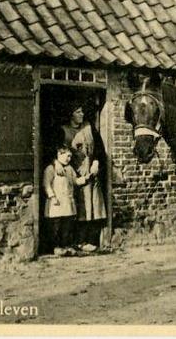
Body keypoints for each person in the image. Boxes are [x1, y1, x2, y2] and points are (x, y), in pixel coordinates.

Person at [60, 101, 107, 252]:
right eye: (78, 112)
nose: (82, 114)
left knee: (94, 208)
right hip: (76, 175)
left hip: (92, 173)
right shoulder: (64, 131)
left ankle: (91, 239)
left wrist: (97, 162)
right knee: (79, 209)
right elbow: (59, 153)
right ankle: (78, 241)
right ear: (71, 114)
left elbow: (99, 147)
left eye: (82, 111)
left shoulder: (89, 127)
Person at [43, 146, 89, 257]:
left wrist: (84, 179)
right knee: (56, 226)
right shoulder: (51, 168)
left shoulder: (69, 169)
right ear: (59, 154)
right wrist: (52, 196)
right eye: (67, 156)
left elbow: (74, 181)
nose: (68, 159)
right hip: (56, 203)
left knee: (67, 225)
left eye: (70, 157)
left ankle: (66, 245)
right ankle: (56, 247)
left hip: (67, 202)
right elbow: (46, 184)